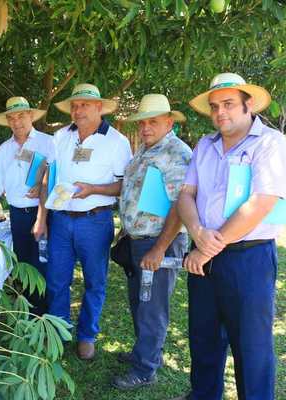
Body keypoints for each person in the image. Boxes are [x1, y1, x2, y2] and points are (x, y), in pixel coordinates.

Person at [175, 73, 286, 400]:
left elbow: (263, 201)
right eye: (214, 107)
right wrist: (197, 232)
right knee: (203, 338)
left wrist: (207, 248)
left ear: (247, 104)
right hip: (203, 257)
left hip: (248, 259)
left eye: (228, 104)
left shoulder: (269, 142)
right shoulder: (204, 146)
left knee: (251, 348)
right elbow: (185, 195)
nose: (220, 112)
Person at [33, 83, 132, 360]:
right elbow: (46, 178)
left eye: (84, 105)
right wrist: (42, 218)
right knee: (56, 280)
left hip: (95, 221)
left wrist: (94, 189)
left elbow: (123, 186)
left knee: (95, 282)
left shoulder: (117, 141)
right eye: (74, 106)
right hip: (61, 220)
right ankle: (59, 332)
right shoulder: (60, 136)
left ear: (99, 107)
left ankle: (87, 334)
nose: (77, 111)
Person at [114, 94, 192, 389]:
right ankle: (145, 354)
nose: (146, 127)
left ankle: (145, 370)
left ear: (169, 122)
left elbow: (180, 205)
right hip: (138, 240)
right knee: (139, 302)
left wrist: (159, 248)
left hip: (159, 243)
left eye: (153, 121)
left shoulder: (175, 153)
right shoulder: (146, 150)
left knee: (151, 307)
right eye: (143, 122)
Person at [0, 96, 53, 315]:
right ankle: (30, 316)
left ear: (31, 116)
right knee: (24, 267)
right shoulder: (5, 149)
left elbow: (58, 175)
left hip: (42, 213)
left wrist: (44, 184)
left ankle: (45, 318)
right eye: (12, 118)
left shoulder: (48, 142)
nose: (17, 122)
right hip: (17, 215)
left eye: (22, 116)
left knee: (43, 266)